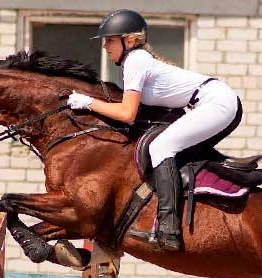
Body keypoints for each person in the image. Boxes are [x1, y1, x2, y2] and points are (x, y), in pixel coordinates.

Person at [66, 9, 243, 251]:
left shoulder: (135, 60)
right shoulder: (134, 60)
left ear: (129, 41)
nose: (105, 46)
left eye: (110, 40)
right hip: (212, 102)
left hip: (216, 103)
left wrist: (88, 103)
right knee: (168, 147)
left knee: (161, 146)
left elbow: (127, 114)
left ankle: (168, 230)